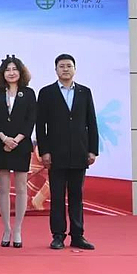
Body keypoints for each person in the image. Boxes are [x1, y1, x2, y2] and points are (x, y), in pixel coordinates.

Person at [36, 54, 98, 251]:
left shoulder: (84, 92)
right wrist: (44, 151)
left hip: (79, 151)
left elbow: (91, 122)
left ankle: (78, 235)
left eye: (69, 66)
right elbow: (40, 125)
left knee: (76, 196)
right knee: (56, 196)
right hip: (56, 153)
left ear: (75, 69)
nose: (65, 69)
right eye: (61, 66)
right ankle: (58, 235)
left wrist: (92, 150)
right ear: (56, 70)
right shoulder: (46, 93)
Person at [0, 57, 37, 248]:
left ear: (21, 72)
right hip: (0, 144)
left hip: (21, 144)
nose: (11, 72)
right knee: (3, 188)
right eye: (7, 69)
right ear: (2, 73)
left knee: (21, 188)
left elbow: (31, 119)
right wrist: (4, 138)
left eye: (14, 69)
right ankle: (6, 228)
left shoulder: (29, 93)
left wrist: (16, 139)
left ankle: (17, 229)